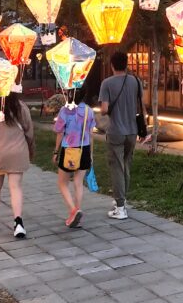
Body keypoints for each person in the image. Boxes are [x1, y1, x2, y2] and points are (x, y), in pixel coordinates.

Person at [0, 93, 34, 238]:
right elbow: (29, 132)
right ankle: (18, 223)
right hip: (18, 152)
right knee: (15, 187)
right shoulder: (22, 107)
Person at [99, 51, 146, 220]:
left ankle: (120, 207)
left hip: (116, 131)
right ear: (126, 64)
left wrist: (106, 109)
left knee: (117, 167)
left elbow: (104, 109)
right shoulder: (135, 81)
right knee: (126, 165)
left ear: (112, 65)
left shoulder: (107, 83)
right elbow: (141, 105)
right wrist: (144, 129)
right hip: (132, 131)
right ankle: (122, 199)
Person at [53, 88, 95, 228]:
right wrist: (91, 154)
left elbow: (59, 133)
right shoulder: (89, 110)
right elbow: (90, 133)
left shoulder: (65, 111)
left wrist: (55, 151)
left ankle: (73, 210)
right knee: (78, 182)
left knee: (62, 182)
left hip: (68, 149)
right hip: (84, 148)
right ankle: (77, 212)